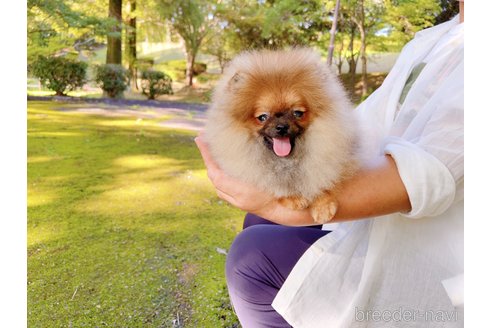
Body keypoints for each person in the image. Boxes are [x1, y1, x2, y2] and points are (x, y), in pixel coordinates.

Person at [195, 1, 464, 326]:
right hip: (374, 219)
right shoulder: (432, 39)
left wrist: (279, 203)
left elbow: (428, 177)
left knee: (250, 259)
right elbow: (361, 124)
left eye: (296, 113)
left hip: (437, 257)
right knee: (255, 221)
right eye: (264, 117)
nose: (280, 124)